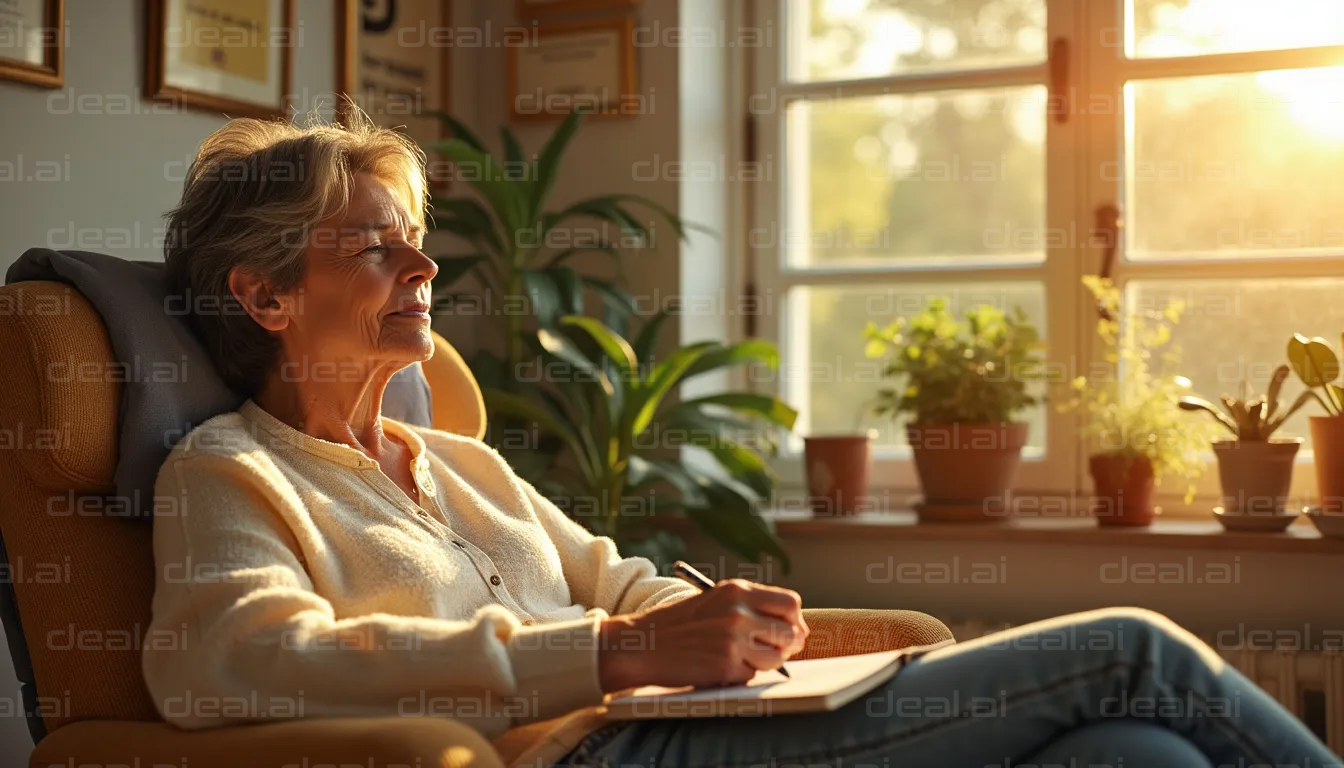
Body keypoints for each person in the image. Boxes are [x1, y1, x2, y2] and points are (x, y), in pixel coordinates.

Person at [144, 111, 1340, 768]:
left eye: (417, 238)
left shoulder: (462, 462)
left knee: (1136, 757)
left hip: (686, 723)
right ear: (265, 296)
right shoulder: (230, 473)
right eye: (375, 246)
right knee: (1132, 653)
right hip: (591, 760)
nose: (424, 265)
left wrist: (736, 624)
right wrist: (613, 656)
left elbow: (621, 583)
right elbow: (235, 669)